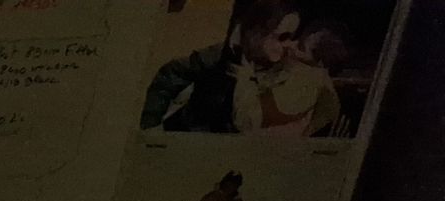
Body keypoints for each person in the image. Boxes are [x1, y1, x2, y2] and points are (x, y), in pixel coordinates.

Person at [141, 1, 301, 133]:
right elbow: (169, 76)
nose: (289, 44)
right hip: (193, 138)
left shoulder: (284, 68)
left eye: (293, 36)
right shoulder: (218, 56)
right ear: (255, 32)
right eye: (283, 37)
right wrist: (150, 128)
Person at [235, 20, 346, 135]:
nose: (292, 46)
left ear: (319, 64)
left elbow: (273, 118)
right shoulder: (300, 75)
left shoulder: (314, 80)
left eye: (301, 48)